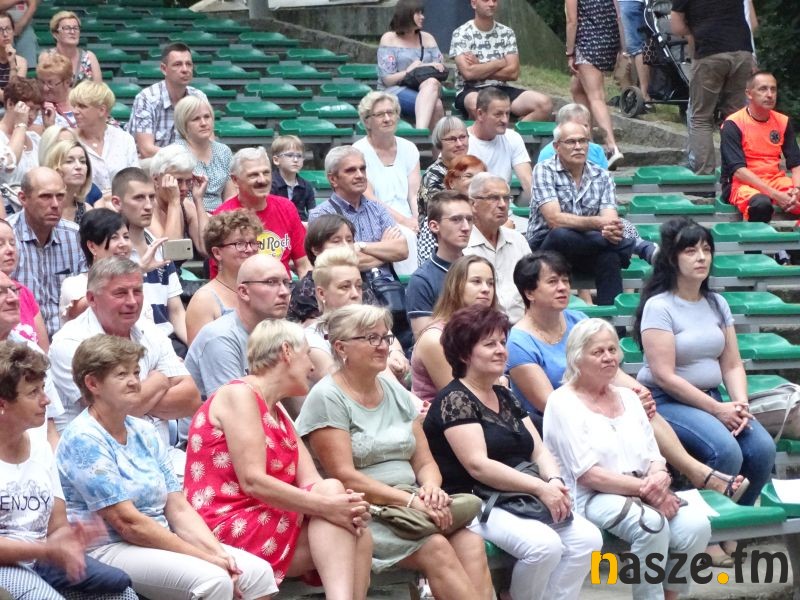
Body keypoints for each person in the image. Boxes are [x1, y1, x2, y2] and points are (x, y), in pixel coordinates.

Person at [507, 251, 749, 505]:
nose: (563, 287)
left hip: (600, 400)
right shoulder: (519, 342)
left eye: (566, 280)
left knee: (642, 405)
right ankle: (692, 476)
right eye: (553, 281)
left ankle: (690, 475)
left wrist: (639, 393)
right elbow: (551, 403)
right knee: (628, 409)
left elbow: (612, 371)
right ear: (529, 292)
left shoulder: (578, 320)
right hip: (563, 423)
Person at [56, 334, 278, 600]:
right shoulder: (83, 437)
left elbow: (178, 507)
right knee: (214, 580)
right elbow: (127, 523)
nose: (134, 381)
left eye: (135, 372)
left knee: (257, 573)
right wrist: (204, 558)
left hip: (158, 536)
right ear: (92, 383)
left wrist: (218, 553)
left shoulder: (144, 430)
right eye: (121, 374)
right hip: (108, 547)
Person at [296, 304, 494, 600]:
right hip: (366, 513)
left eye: (385, 337)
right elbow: (344, 476)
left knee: (470, 542)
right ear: (341, 347)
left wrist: (430, 489)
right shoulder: (327, 397)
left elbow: (425, 461)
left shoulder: (396, 392)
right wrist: (411, 501)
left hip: (412, 505)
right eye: (371, 338)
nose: (382, 346)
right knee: (436, 548)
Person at [185, 318, 373, 595]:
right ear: (286, 352)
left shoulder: (277, 410)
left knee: (355, 524)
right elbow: (252, 481)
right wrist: (328, 506)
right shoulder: (239, 394)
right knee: (342, 518)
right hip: (226, 525)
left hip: (269, 516)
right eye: (307, 354)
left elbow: (311, 482)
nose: (312, 367)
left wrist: (344, 505)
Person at [426, 305, 601, 600]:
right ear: (465, 354)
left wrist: (554, 481)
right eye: (489, 344)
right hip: (476, 500)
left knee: (588, 539)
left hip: (521, 494)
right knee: (544, 546)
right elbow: (478, 465)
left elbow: (538, 449)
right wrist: (540, 488)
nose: (500, 350)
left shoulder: (504, 395)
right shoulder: (455, 399)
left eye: (502, 342)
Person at [545, 318, 713, 600]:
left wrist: (660, 478)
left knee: (696, 526)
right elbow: (589, 475)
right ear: (576, 358)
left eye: (612, 349)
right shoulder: (562, 402)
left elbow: (654, 455)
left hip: (646, 488)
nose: (608, 357)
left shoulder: (629, 398)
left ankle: (670, 596)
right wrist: (650, 490)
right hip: (593, 496)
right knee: (651, 525)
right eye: (598, 352)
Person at [633, 217, 775, 510]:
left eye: (706, 250)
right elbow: (664, 376)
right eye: (691, 251)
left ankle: (738, 519)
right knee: (725, 451)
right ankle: (710, 523)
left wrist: (740, 405)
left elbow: (732, 364)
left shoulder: (716, 303)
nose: (701, 257)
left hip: (712, 398)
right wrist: (717, 410)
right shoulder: (659, 306)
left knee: (762, 449)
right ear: (672, 259)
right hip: (667, 401)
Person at [0, 341, 137, 600]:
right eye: (33, 392)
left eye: (43, 388)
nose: (46, 399)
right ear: (2, 404)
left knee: (123, 594)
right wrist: (46, 551)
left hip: (42, 559)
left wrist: (70, 540)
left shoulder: (41, 448)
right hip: (7, 565)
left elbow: (57, 526)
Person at [49, 257, 200, 443]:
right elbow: (110, 412)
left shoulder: (149, 330)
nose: (132, 301)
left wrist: (129, 403)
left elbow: (191, 399)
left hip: (162, 452)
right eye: (120, 293)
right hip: (97, 452)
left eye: (137, 291)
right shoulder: (70, 342)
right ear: (92, 298)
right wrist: (160, 381)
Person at [527, 121, 637, 306]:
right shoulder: (544, 170)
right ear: (556, 147)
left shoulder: (602, 175)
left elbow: (610, 221)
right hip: (546, 246)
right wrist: (598, 224)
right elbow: (554, 219)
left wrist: (606, 227)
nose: (578, 146)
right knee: (561, 234)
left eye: (583, 141)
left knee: (610, 258)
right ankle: (632, 246)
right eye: (571, 142)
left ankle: (612, 320)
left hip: (589, 247)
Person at [185, 254, 291, 401]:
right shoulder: (220, 338)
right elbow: (233, 408)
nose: (284, 292)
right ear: (244, 292)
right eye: (271, 282)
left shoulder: (282, 334)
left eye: (286, 282)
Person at [670, 0, 755, 174]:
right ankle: (736, 172)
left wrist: (693, 32)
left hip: (709, 52)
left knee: (701, 117)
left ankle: (705, 173)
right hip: (742, 50)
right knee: (735, 116)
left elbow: (676, 27)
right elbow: (752, 22)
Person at [304, 246, 409, 385]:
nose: (355, 294)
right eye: (345, 287)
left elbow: (394, 347)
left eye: (359, 286)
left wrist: (397, 356)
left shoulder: (374, 325)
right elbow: (339, 385)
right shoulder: (312, 339)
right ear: (321, 293)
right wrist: (383, 367)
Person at [110, 167, 187, 355]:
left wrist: (197, 349)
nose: (148, 206)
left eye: (151, 197)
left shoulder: (159, 247)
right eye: (138, 198)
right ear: (117, 203)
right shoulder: (110, 250)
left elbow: (176, 311)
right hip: (127, 346)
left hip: (168, 344)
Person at [309, 145, 409, 279]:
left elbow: (402, 250)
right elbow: (337, 261)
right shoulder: (321, 215)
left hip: (388, 286)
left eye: (362, 169)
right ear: (333, 179)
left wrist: (361, 247)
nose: (360, 175)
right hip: (348, 287)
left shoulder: (378, 209)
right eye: (351, 170)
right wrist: (385, 251)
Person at [8, 167, 86, 337]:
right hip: (20, 342)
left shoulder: (75, 236)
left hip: (69, 339)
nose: (55, 204)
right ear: (23, 198)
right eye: (45, 196)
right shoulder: (7, 239)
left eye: (60, 196)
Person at [213, 147, 310, 279]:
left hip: (283, 288)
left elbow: (303, 265)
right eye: (253, 175)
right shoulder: (223, 216)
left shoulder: (287, 208)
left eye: (266, 173)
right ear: (235, 180)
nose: (262, 180)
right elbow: (219, 276)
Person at [411, 255, 497, 405]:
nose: (486, 289)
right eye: (476, 281)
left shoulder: (488, 331)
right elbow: (460, 399)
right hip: (450, 414)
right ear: (456, 286)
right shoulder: (435, 339)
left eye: (490, 283)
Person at [450, 0, 552, 122]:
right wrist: (500, 63)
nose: (491, 4)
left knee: (544, 104)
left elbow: (513, 73)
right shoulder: (461, 33)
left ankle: (513, 133)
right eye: (486, 0)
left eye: (494, 0)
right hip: (471, 89)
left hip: (501, 88)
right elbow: (468, 73)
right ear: (474, 4)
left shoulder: (507, 33)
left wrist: (480, 66)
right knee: (476, 104)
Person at [353, 91, 420, 275]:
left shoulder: (409, 148)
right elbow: (370, 198)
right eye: (380, 114)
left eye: (391, 112)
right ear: (367, 121)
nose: (387, 118)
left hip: (409, 218)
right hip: (375, 217)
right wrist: (405, 222)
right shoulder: (358, 152)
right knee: (405, 236)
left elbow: (414, 194)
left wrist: (417, 219)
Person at [59, 207, 164, 325]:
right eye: (114, 237)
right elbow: (85, 308)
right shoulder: (74, 285)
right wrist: (138, 270)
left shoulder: (134, 283)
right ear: (92, 247)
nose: (123, 244)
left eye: (126, 237)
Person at [720, 71, 800, 223]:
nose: (769, 95)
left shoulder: (782, 121)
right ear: (749, 94)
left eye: (773, 89)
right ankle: (755, 239)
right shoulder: (733, 124)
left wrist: (797, 189)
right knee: (761, 204)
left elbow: (796, 164)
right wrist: (775, 195)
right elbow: (738, 171)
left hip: (775, 180)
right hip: (741, 184)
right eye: (763, 89)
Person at [184, 209, 263, 345]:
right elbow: (201, 354)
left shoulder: (263, 289)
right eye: (240, 244)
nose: (250, 249)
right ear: (217, 253)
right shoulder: (204, 301)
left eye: (253, 242)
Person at [287, 213, 380, 324]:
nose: (346, 246)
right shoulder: (306, 289)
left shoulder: (360, 284)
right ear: (315, 249)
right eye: (336, 241)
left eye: (349, 240)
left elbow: (379, 325)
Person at [464, 172, 530, 323]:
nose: (502, 205)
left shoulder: (518, 240)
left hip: (521, 327)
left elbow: (533, 286)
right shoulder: (462, 244)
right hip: (479, 326)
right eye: (493, 198)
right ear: (473, 204)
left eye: (506, 198)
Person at [565, 0, 624, 166]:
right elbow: (619, 15)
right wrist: (622, 47)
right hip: (609, 41)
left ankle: (612, 147)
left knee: (596, 96)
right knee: (577, 88)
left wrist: (569, 52)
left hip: (588, 43)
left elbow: (572, 21)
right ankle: (588, 143)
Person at [406, 191, 472, 338]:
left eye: (469, 219)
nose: (466, 227)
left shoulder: (478, 270)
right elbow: (424, 339)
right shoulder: (422, 280)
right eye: (456, 219)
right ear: (434, 226)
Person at [126, 42, 209, 158]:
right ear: (164, 69)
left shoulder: (199, 97)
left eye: (188, 64)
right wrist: (183, 157)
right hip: (149, 164)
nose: (185, 69)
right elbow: (146, 150)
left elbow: (208, 143)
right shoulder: (146, 98)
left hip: (188, 163)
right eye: (178, 64)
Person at [377, 0, 445, 130]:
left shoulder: (428, 38)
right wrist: (410, 70)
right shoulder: (389, 38)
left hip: (427, 87)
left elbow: (440, 68)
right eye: (418, 13)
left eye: (422, 13)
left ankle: (420, 133)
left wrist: (424, 66)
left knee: (432, 83)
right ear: (406, 14)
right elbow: (387, 80)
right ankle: (423, 136)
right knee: (436, 106)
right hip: (395, 89)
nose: (422, 17)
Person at [467, 87, 532, 205]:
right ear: (480, 114)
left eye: (507, 113)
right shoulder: (461, 142)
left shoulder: (513, 138)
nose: (505, 120)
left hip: (503, 207)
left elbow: (528, 182)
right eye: (498, 114)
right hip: (470, 207)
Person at [71, 81, 138, 196]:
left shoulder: (124, 139)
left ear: (102, 110)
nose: (75, 111)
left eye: (82, 106)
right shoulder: (69, 140)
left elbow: (135, 180)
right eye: (74, 106)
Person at [417, 116, 468, 264]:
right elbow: (442, 213)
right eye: (452, 139)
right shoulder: (433, 175)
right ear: (440, 143)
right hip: (439, 236)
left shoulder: (472, 167)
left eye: (463, 137)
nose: (459, 143)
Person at [174, 95, 234, 213]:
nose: (203, 123)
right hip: (188, 214)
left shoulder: (224, 151)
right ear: (184, 124)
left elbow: (230, 195)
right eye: (196, 119)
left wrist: (226, 218)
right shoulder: (176, 152)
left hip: (221, 216)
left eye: (207, 117)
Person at [148, 144, 209, 257]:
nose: (184, 188)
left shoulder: (186, 206)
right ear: (156, 180)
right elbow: (172, 254)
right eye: (178, 181)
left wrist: (198, 200)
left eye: (188, 181)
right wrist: (174, 203)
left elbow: (206, 249)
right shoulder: (146, 208)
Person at [0, 218, 47, 348]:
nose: (10, 250)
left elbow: (43, 353)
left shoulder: (23, 291)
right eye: (0, 244)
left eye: (12, 243)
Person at [536, 103, 608, 168]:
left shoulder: (597, 150)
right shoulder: (548, 153)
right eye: (576, 126)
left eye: (585, 125)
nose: (582, 130)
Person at [40, 11, 101, 85]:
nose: (72, 32)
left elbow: (98, 89)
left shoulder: (90, 57)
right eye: (67, 28)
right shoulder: (47, 57)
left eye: (76, 28)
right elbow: (45, 87)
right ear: (55, 34)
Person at [0, 79, 42, 186]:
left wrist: (50, 126)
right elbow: (7, 165)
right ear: (10, 104)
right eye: (29, 108)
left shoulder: (35, 139)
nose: (33, 115)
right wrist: (21, 125)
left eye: (37, 110)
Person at [42, 139, 92, 224]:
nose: (79, 166)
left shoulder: (88, 211)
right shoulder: (41, 208)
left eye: (83, 161)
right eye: (69, 161)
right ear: (55, 168)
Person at [270, 135, 315, 222]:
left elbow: (313, 214)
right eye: (290, 155)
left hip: (302, 225)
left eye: (299, 156)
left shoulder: (307, 186)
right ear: (276, 160)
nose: (295, 160)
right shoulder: (270, 184)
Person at [618, 0, 651, 103]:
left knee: (624, 48)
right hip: (633, 4)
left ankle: (628, 94)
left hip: (620, 5)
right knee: (638, 48)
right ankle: (642, 95)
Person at [36, 52, 75, 129]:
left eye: (50, 83)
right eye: (42, 82)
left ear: (67, 82)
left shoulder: (83, 101)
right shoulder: (36, 107)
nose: (45, 88)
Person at [0, 12, 27, 104]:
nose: (5, 34)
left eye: (8, 29)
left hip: (11, 108)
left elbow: (15, 94)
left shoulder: (21, 62)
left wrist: (12, 63)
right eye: (0, 30)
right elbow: (9, 99)